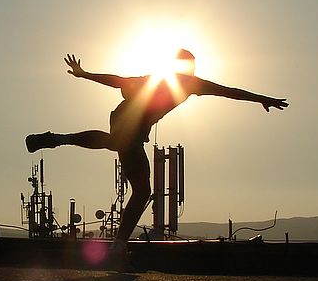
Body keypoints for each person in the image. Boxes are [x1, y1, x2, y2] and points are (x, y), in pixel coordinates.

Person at [25, 50, 288, 251]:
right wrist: (85, 74)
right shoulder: (160, 80)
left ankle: (118, 245)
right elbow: (119, 81)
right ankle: (58, 138)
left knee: (142, 191)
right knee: (119, 144)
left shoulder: (192, 84)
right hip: (126, 116)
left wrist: (262, 99)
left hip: (136, 130)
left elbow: (229, 92)